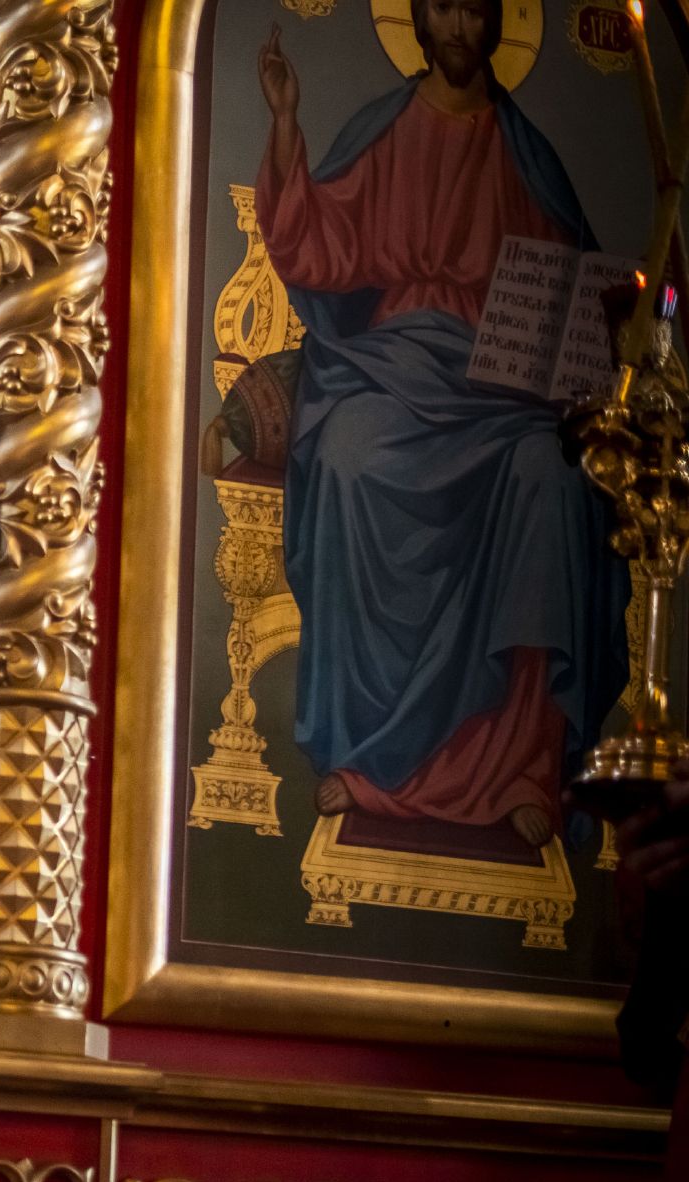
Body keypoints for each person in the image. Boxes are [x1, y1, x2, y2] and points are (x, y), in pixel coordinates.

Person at [255, 0, 625, 849]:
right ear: (418, 22)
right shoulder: (386, 131)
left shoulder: (530, 158)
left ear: (497, 25)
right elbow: (314, 245)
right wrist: (283, 123)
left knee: (552, 481)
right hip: (395, 365)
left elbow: (585, 303)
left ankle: (523, 767)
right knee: (346, 455)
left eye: (474, 11)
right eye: (443, 9)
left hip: (506, 397)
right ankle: (368, 757)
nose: (458, 27)